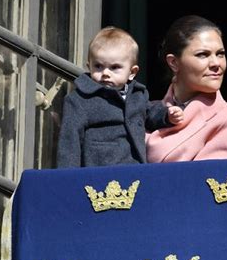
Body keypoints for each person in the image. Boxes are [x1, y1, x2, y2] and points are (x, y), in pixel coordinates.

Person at [56, 26, 183, 168]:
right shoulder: (80, 99)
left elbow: (149, 112)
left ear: (132, 72)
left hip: (134, 169)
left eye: (114, 67)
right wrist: (67, 178)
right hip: (99, 171)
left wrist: (167, 115)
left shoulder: (137, 95)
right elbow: (69, 142)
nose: (105, 73)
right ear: (89, 66)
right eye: (98, 66)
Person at [145, 15, 227, 162]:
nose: (216, 63)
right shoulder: (141, 115)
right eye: (203, 54)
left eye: (220, 54)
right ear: (174, 63)